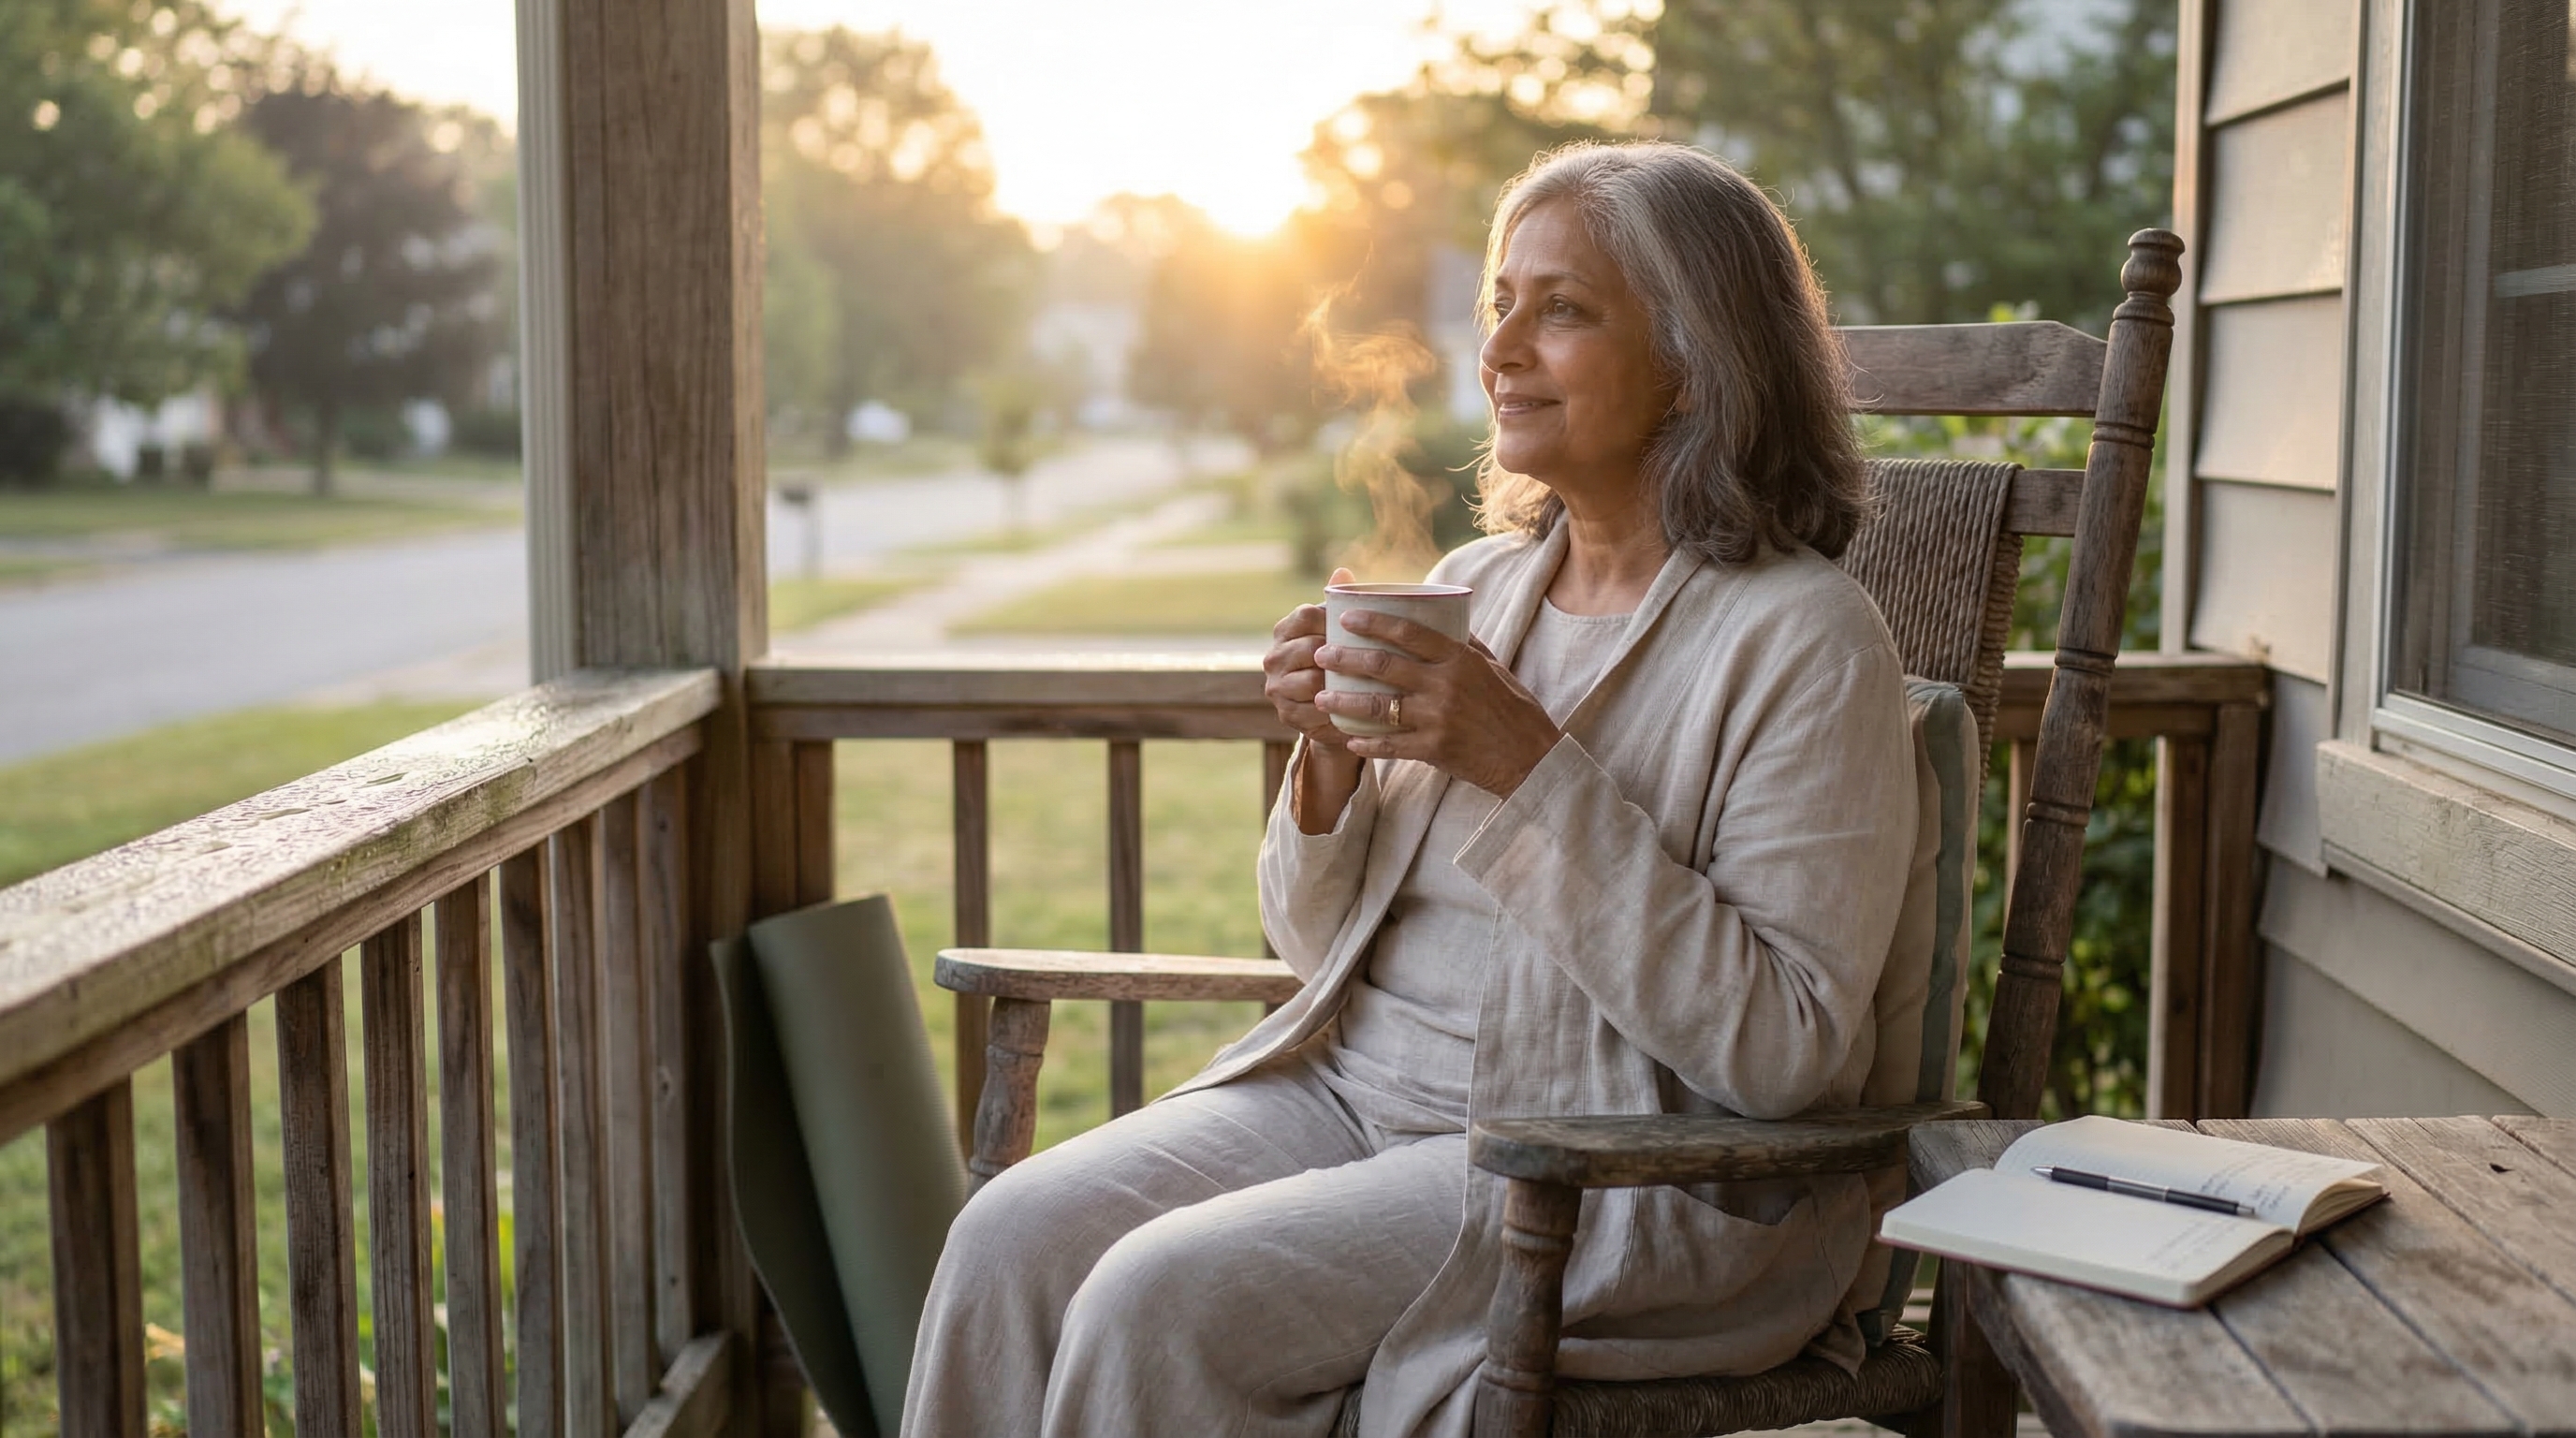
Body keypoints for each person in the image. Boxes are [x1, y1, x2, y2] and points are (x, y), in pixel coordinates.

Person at [902, 139, 1923, 1438]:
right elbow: (1315, 942)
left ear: (1694, 364)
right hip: (1346, 1096)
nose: (1497, 349)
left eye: (1561, 310)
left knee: (1157, 1300)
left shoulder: (1801, 640)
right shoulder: (1482, 588)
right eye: (1503, 301)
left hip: (1590, 1163)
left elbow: (1784, 1052)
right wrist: (1326, 763)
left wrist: (1521, 760)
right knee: (1011, 1238)